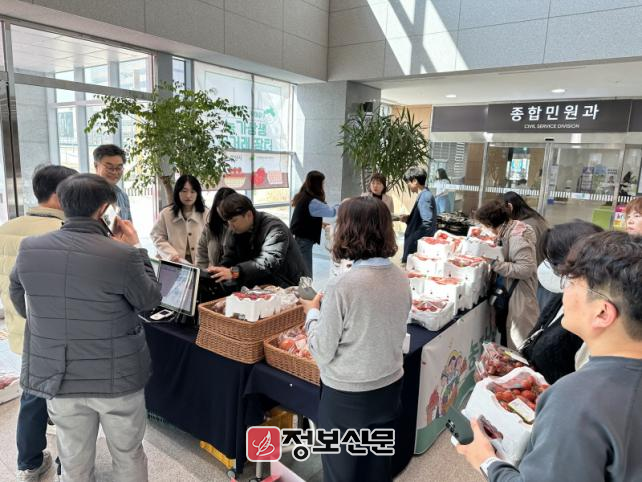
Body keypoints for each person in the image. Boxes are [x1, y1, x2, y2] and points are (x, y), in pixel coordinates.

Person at [9, 173, 162, 482]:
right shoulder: (123, 254)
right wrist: (136, 246)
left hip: (60, 376)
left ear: (62, 204)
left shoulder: (30, 248)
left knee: (73, 459)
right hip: (118, 378)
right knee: (128, 454)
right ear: (105, 209)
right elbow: (149, 300)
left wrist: (47, 322)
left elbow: (17, 293)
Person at [456, 231, 642, 482]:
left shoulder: (577, 400)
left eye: (572, 283)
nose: (563, 292)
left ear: (602, 313)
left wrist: (487, 462)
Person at [300, 196, 412, 482]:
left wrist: (312, 313)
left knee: (342, 472)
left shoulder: (343, 285)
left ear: (348, 231)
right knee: (377, 468)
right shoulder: (401, 278)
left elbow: (322, 351)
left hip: (347, 397)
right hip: (389, 387)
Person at [0, 165, 76, 481]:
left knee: (32, 396)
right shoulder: (65, 231)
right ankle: (69, 467)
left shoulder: (6, 228)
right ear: (59, 195)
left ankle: (29, 464)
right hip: (61, 334)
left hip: (21, 330)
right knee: (69, 403)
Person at [520, 221, 602, 384]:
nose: (553, 270)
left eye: (554, 263)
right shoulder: (563, 297)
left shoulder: (595, 316)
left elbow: (584, 385)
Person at [209, 193, 310, 288]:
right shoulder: (235, 230)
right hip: (263, 286)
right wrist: (219, 272)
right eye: (228, 222)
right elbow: (230, 257)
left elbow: (268, 263)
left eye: (234, 221)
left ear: (249, 215)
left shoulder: (274, 228)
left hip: (290, 286)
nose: (230, 226)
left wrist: (234, 272)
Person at [476, 199, 538, 350]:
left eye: (484, 225)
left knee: (517, 345)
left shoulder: (517, 236)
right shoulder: (509, 230)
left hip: (519, 296)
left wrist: (494, 263)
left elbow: (525, 269)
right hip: (511, 293)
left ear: (491, 224)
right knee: (507, 339)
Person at [150, 174, 209, 264]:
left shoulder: (206, 214)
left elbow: (213, 240)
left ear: (198, 193)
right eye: (184, 191)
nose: (188, 195)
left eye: (193, 191)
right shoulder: (166, 214)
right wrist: (171, 255)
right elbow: (157, 236)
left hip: (200, 262)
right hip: (174, 262)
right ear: (177, 192)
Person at [290, 171, 337, 277]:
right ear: (317, 184)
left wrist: (321, 224)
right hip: (303, 240)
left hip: (299, 238)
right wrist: (345, 204)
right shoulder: (312, 201)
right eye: (322, 183)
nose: (323, 186)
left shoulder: (303, 196)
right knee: (306, 274)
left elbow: (305, 218)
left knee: (303, 270)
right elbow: (332, 212)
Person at [401, 167, 437, 263]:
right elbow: (422, 219)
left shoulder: (425, 196)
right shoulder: (425, 194)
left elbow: (427, 224)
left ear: (415, 181)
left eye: (408, 183)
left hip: (416, 248)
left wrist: (413, 238)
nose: (408, 186)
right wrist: (409, 219)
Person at [502, 191, 548, 265]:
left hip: (533, 265)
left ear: (510, 206)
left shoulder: (523, 226)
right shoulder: (534, 217)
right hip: (542, 263)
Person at [196, 187, 236, 270]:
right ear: (216, 207)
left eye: (227, 208)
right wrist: (202, 274)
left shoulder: (242, 227)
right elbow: (201, 256)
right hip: (215, 275)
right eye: (221, 208)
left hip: (235, 275)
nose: (224, 212)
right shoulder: (209, 228)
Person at [93, 144, 132, 221]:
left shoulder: (122, 196)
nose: (114, 172)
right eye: (109, 168)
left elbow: (128, 224)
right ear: (96, 166)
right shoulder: (86, 194)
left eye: (119, 168)